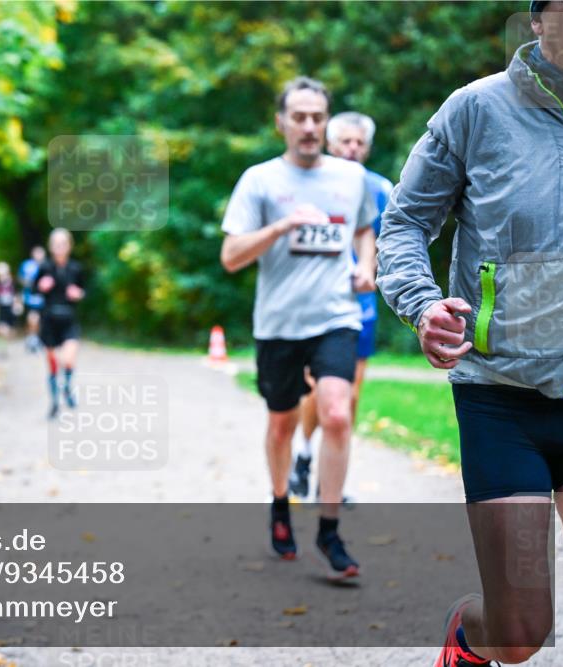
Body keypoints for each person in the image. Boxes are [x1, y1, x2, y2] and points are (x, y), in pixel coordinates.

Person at [376, 3, 563, 664]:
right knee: (518, 632)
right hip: (501, 394)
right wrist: (422, 302)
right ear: (538, 19)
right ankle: (467, 636)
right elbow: (404, 224)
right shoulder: (476, 110)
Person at [220, 76, 377, 580]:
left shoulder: (351, 178)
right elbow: (230, 256)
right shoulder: (259, 180)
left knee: (336, 412)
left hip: (335, 316)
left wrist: (366, 265)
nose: (309, 126)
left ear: (326, 121)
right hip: (278, 323)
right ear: (280, 122)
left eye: (317, 117)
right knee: (282, 424)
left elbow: (364, 228)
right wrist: (280, 228)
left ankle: (329, 530)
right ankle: (280, 502)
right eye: (299, 117)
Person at [288, 111, 394, 501]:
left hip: (360, 306)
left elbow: (393, 243)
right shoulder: (310, 182)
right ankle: (302, 452)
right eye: (345, 141)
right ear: (331, 144)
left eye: (359, 142)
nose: (352, 148)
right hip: (312, 303)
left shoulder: (382, 188)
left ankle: (326, 483)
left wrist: (373, 269)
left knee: (348, 396)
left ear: (367, 147)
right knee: (319, 388)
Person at [35, 228, 84, 419]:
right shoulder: (44, 268)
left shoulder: (75, 268)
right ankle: (54, 402)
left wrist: (78, 294)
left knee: (68, 360)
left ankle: (67, 387)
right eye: (56, 244)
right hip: (48, 321)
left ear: (69, 246)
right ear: (51, 246)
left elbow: (83, 291)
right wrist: (40, 286)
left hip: (69, 320)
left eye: (63, 243)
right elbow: (33, 291)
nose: (60, 247)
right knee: (53, 364)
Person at [19, 246, 46, 353]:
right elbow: (20, 278)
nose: (39, 256)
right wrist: (27, 282)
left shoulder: (47, 265)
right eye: (37, 253)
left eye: (41, 253)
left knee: (42, 321)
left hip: (44, 299)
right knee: (33, 318)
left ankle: (37, 340)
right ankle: (31, 338)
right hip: (30, 298)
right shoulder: (27, 265)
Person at [0, 261, 19, 341]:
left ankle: (8, 344)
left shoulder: (13, 283)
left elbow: (17, 294)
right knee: (1, 330)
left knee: (11, 331)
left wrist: (17, 305)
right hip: (1, 309)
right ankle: (3, 347)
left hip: (11, 308)